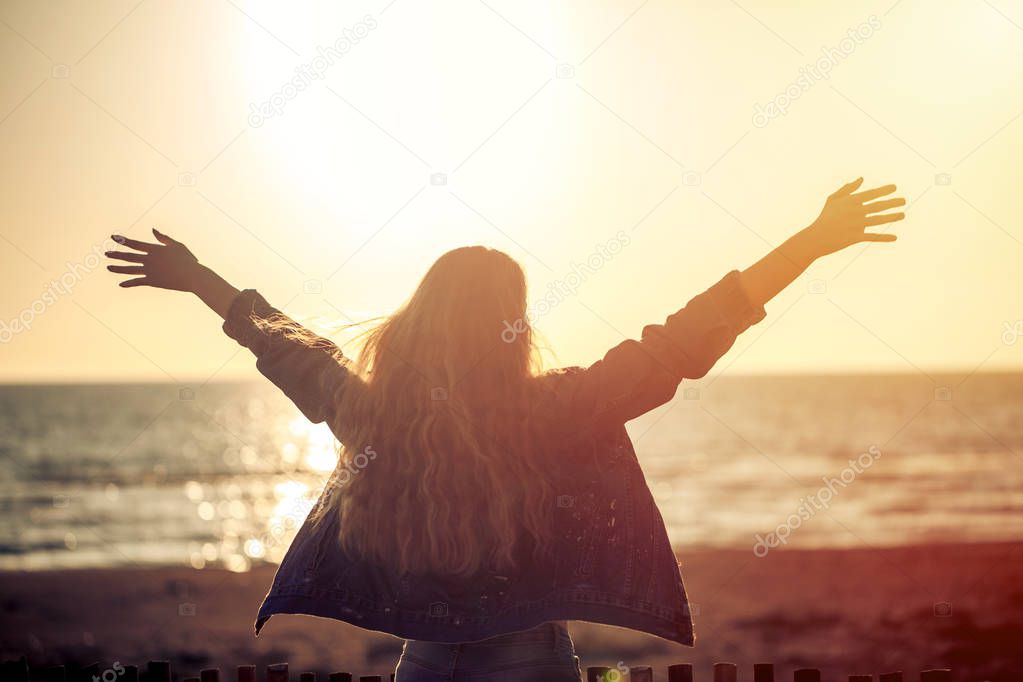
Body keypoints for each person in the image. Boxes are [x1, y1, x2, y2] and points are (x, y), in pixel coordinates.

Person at [106, 178, 904, 681]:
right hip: (531, 663)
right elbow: (683, 339)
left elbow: (284, 341)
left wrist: (199, 280)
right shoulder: (554, 410)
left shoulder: (376, 413)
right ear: (512, 325)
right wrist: (808, 242)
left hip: (422, 667)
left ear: (421, 319)